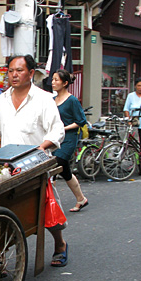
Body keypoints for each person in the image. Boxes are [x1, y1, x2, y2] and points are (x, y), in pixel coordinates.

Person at [0, 54, 69, 267]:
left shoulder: (43, 99)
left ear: (31, 73)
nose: (14, 75)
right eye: (11, 71)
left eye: (19, 70)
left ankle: (60, 244)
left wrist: (42, 147)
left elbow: (57, 130)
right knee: (2, 209)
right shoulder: (1, 101)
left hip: (34, 165)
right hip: (7, 166)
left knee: (46, 208)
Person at [52, 69, 88, 212]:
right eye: (53, 79)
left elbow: (81, 121)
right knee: (65, 171)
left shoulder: (72, 100)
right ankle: (81, 199)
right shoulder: (52, 100)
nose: (53, 82)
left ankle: (50, 204)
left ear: (65, 83)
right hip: (55, 139)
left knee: (54, 166)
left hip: (68, 139)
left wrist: (64, 128)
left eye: (56, 80)